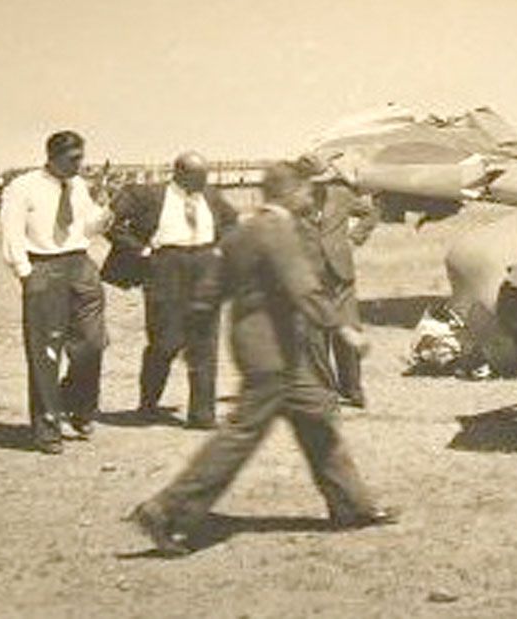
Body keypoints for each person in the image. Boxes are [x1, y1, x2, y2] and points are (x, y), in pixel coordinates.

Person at [127, 162, 395, 556]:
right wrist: (343, 329)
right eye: (306, 189)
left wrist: (194, 332)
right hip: (273, 353)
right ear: (290, 192)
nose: (310, 195)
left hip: (269, 349)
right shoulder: (277, 229)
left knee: (317, 418)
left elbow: (209, 290)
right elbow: (302, 286)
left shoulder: (242, 230)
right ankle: (165, 510)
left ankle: (352, 505)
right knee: (239, 437)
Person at [103, 151, 238, 427]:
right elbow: (110, 223)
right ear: (179, 172)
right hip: (165, 267)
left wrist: (221, 250)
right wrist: (140, 250)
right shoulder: (148, 195)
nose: (203, 183)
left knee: (205, 342)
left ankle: (202, 415)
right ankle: (148, 404)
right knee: (165, 341)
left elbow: (232, 223)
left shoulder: (211, 196)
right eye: (198, 177)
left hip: (204, 265)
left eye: (205, 177)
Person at [0, 130, 111, 454]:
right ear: (54, 156)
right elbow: (11, 234)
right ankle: (47, 429)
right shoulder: (22, 188)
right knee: (45, 353)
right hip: (44, 267)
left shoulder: (78, 186)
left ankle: (78, 406)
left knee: (93, 343)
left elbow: (86, 227)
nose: (81, 164)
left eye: (82, 157)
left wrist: (103, 214)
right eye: (74, 158)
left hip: (81, 265)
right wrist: (26, 274)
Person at [295, 153, 379, 407]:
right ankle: (326, 392)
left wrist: (354, 239)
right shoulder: (292, 202)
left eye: (325, 179)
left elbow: (372, 212)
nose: (321, 185)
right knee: (316, 337)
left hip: (341, 274)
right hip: (309, 276)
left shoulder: (340, 193)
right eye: (315, 181)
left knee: (349, 330)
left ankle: (352, 388)